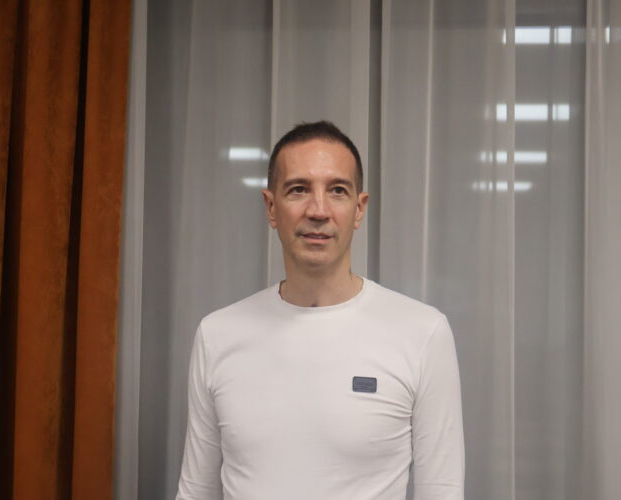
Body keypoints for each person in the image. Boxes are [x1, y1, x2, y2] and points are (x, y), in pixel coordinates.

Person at [175, 121, 464, 500]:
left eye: (337, 190)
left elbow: (441, 492)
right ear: (271, 207)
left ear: (359, 209)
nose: (318, 210)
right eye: (298, 189)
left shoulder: (423, 333)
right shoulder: (217, 335)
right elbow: (195, 493)